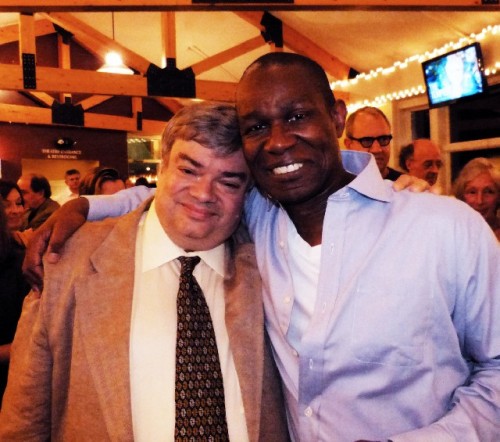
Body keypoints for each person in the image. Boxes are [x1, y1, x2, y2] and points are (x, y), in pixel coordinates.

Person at [21, 53, 500, 441]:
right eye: (256, 127)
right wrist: (84, 205)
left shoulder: (444, 228)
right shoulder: (258, 219)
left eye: (297, 116)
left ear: (336, 117)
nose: (278, 142)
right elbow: (182, 194)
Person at [0, 103, 288, 440]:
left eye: (228, 182)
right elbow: (24, 418)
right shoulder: (69, 260)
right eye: (189, 170)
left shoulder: (271, 266)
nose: (203, 194)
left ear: (247, 193)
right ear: (162, 168)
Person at [0, 180, 31, 405]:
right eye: (6, 205)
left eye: (18, 203)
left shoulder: (24, 253)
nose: (15, 210)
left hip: (16, 373)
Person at [344, 106, 402, 181]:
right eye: (367, 141)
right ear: (349, 145)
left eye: (383, 139)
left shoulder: (403, 184)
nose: (377, 149)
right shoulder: (336, 185)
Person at [453, 157, 500, 240]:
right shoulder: (453, 234)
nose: (479, 201)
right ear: (461, 196)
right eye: (472, 192)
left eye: (488, 192)